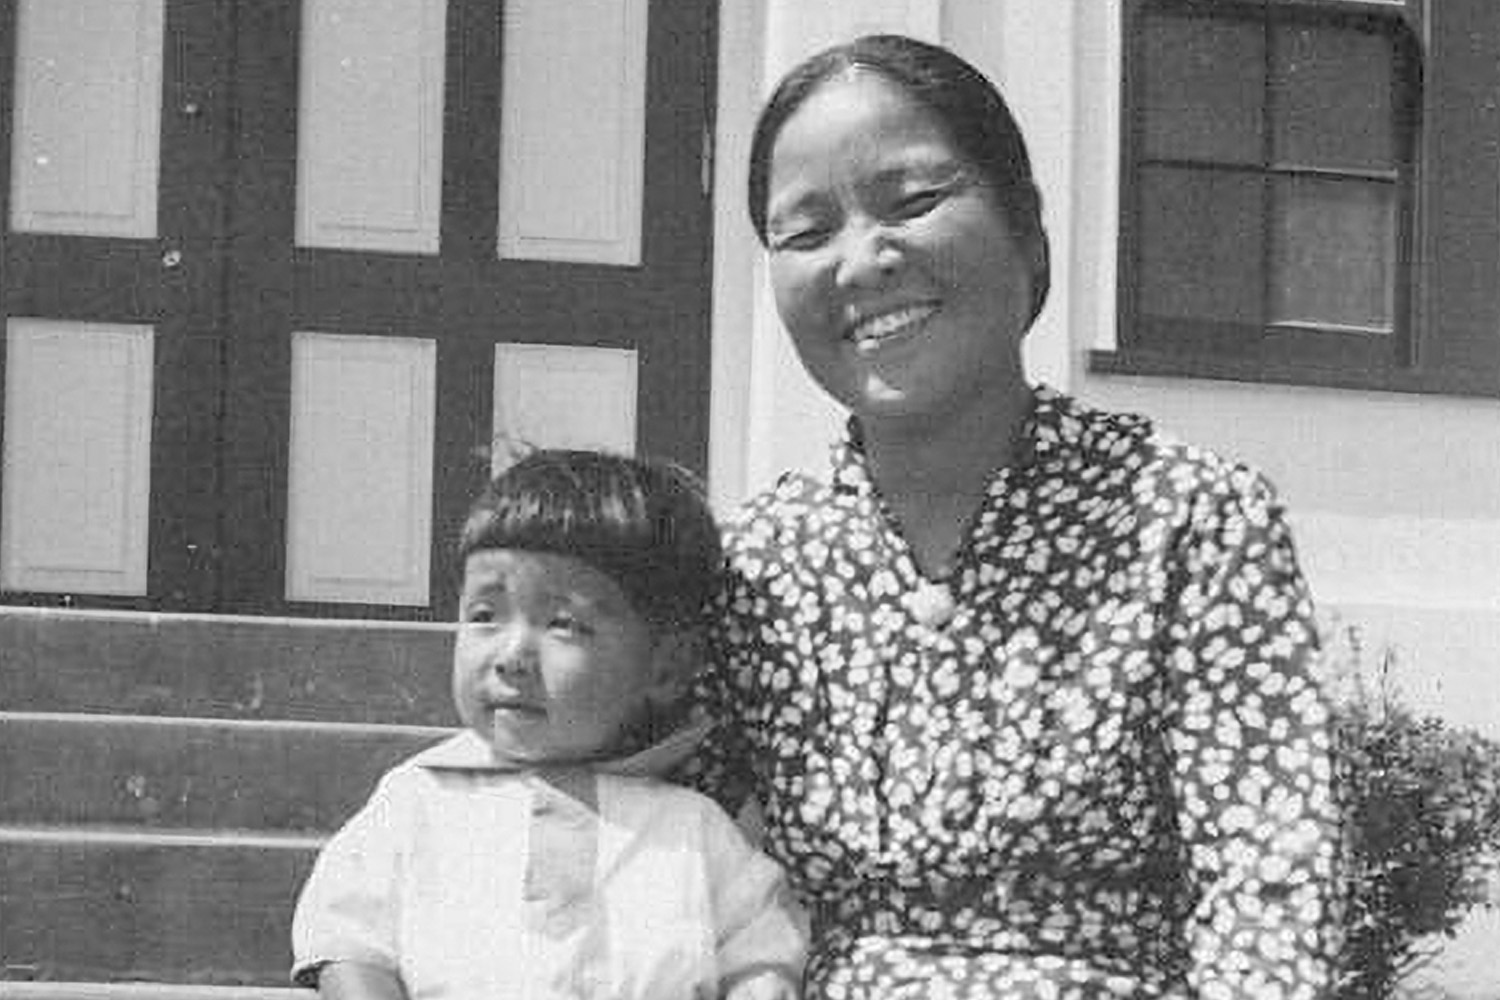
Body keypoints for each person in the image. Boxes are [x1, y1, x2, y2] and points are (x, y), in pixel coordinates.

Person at [686, 34, 1341, 999]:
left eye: (912, 203)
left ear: (1025, 228)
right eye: (806, 231)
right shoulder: (751, 563)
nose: (862, 261)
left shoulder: (1188, 519)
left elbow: (1270, 888)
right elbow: (629, 836)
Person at [292, 450, 807, 1000]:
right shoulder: (417, 800)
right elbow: (346, 942)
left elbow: (762, 955)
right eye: (485, 615)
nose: (512, 655)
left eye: (564, 624)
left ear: (666, 668)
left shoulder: (692, 829)